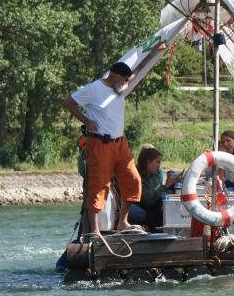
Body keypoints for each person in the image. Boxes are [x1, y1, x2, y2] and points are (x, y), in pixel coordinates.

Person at [64, 61, 142, 235]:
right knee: (98, 185)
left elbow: (135, 73)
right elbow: (69, 102)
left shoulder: (119, 87)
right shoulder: (94, 89)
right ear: (114, 75)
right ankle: (95, 230)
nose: (126, 83)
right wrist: (86, 121)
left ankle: (123, 222)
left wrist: (151, 53)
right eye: (124, 79)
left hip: (120, 144)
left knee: (133, 180)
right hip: (100, 144)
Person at [128, 147, 181, 231]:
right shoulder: (137, 176)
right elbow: (147, 200)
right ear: (148, 162)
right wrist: (166, 185)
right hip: (142, 208)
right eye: (157, 162)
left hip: (153, 207)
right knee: (133, 212)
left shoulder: (155, 174)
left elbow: (157, 191)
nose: (159, 165)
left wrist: (171, 184)